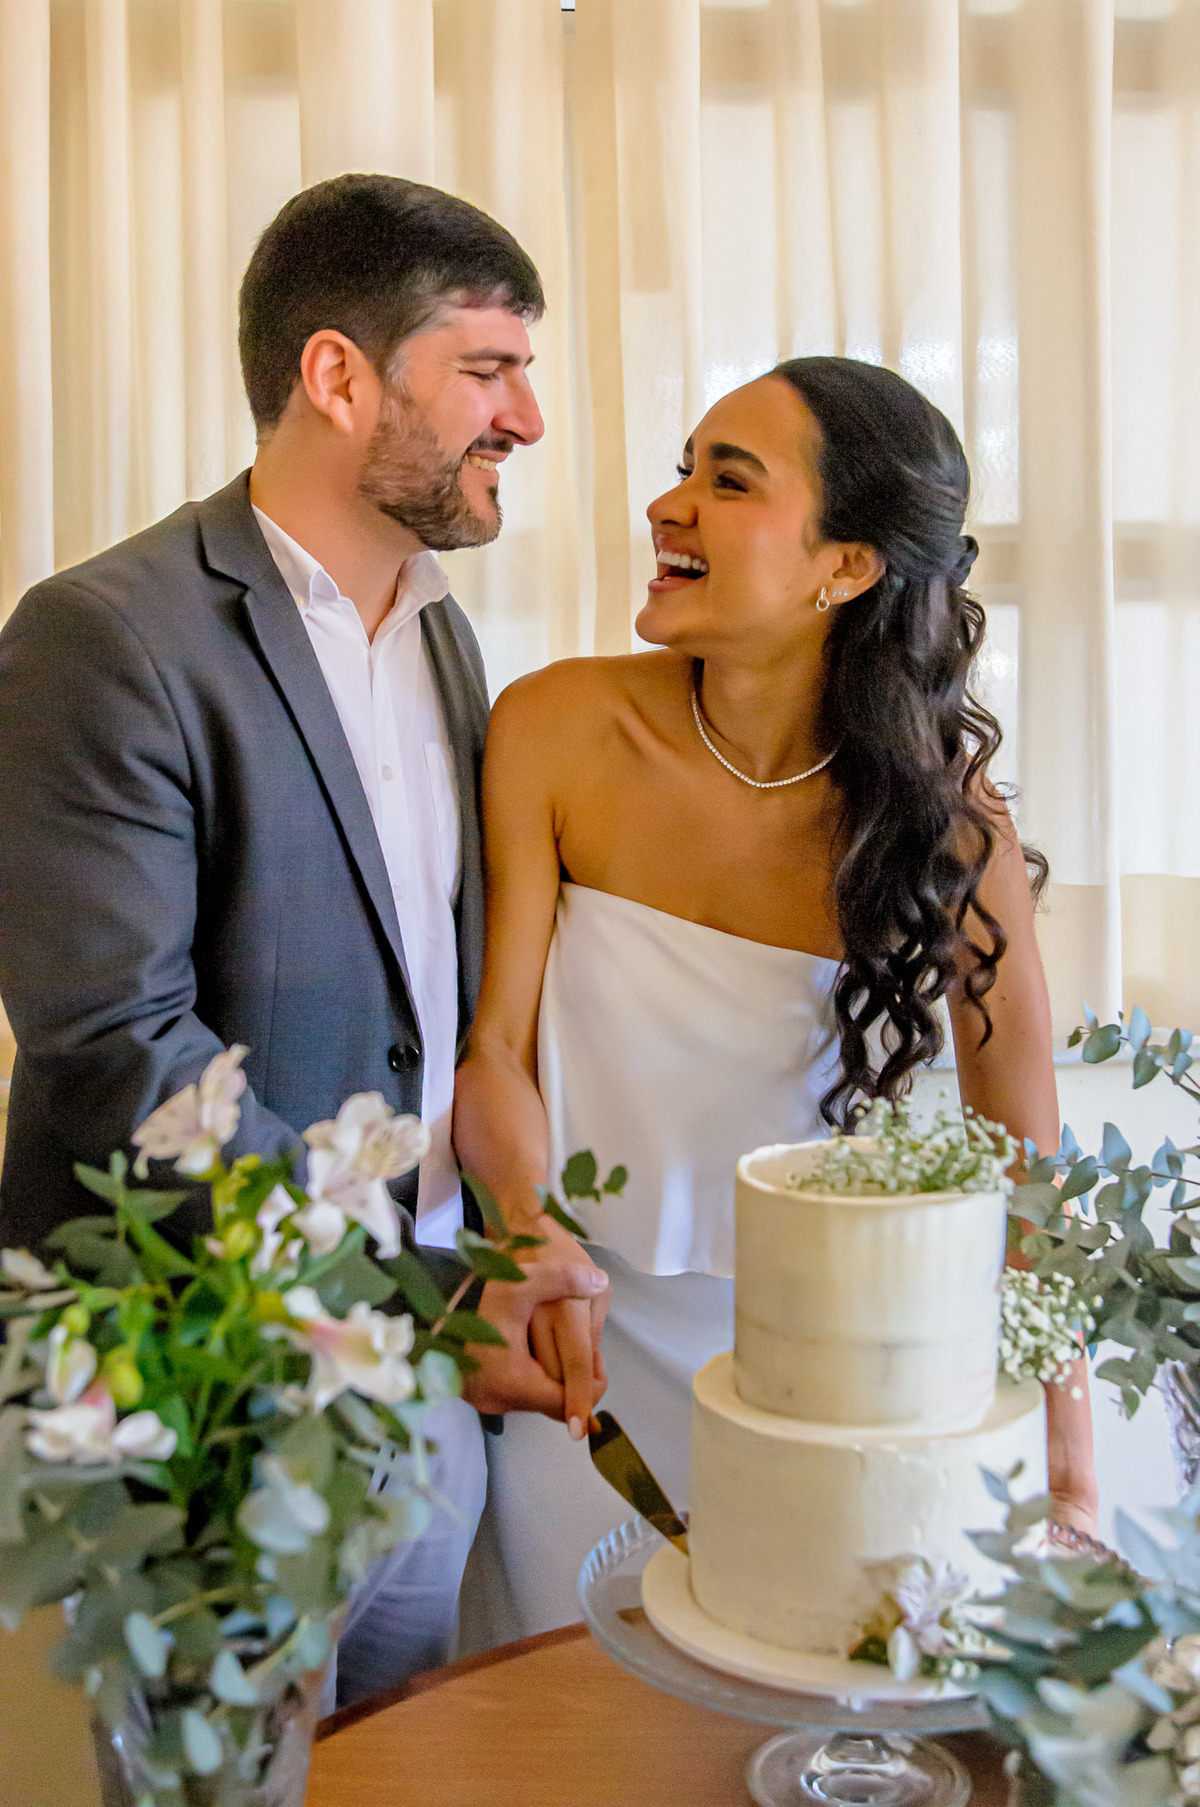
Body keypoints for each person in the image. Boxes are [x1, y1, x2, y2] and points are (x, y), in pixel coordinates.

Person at [0, 173, 610, 1704]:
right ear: (337, 377)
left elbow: (433, 996)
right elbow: (116, 1056)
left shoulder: (448, 635)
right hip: (210, 1376)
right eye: (488, 369)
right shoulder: (105, 636)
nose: (528, 419)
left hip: (426, 1375)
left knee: (403, 1764)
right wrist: (403, 1302)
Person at [453, 355, 1099, 1646]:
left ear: (844, 566)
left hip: (829, 1375)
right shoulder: (555, 726)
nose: (668, 506)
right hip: (583, 1354)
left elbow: (1025, 1164)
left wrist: (1072, 1472)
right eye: (683, 466)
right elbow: (494, 1054)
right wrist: (526, 1234)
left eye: (727, 480)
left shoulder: (947, 833)